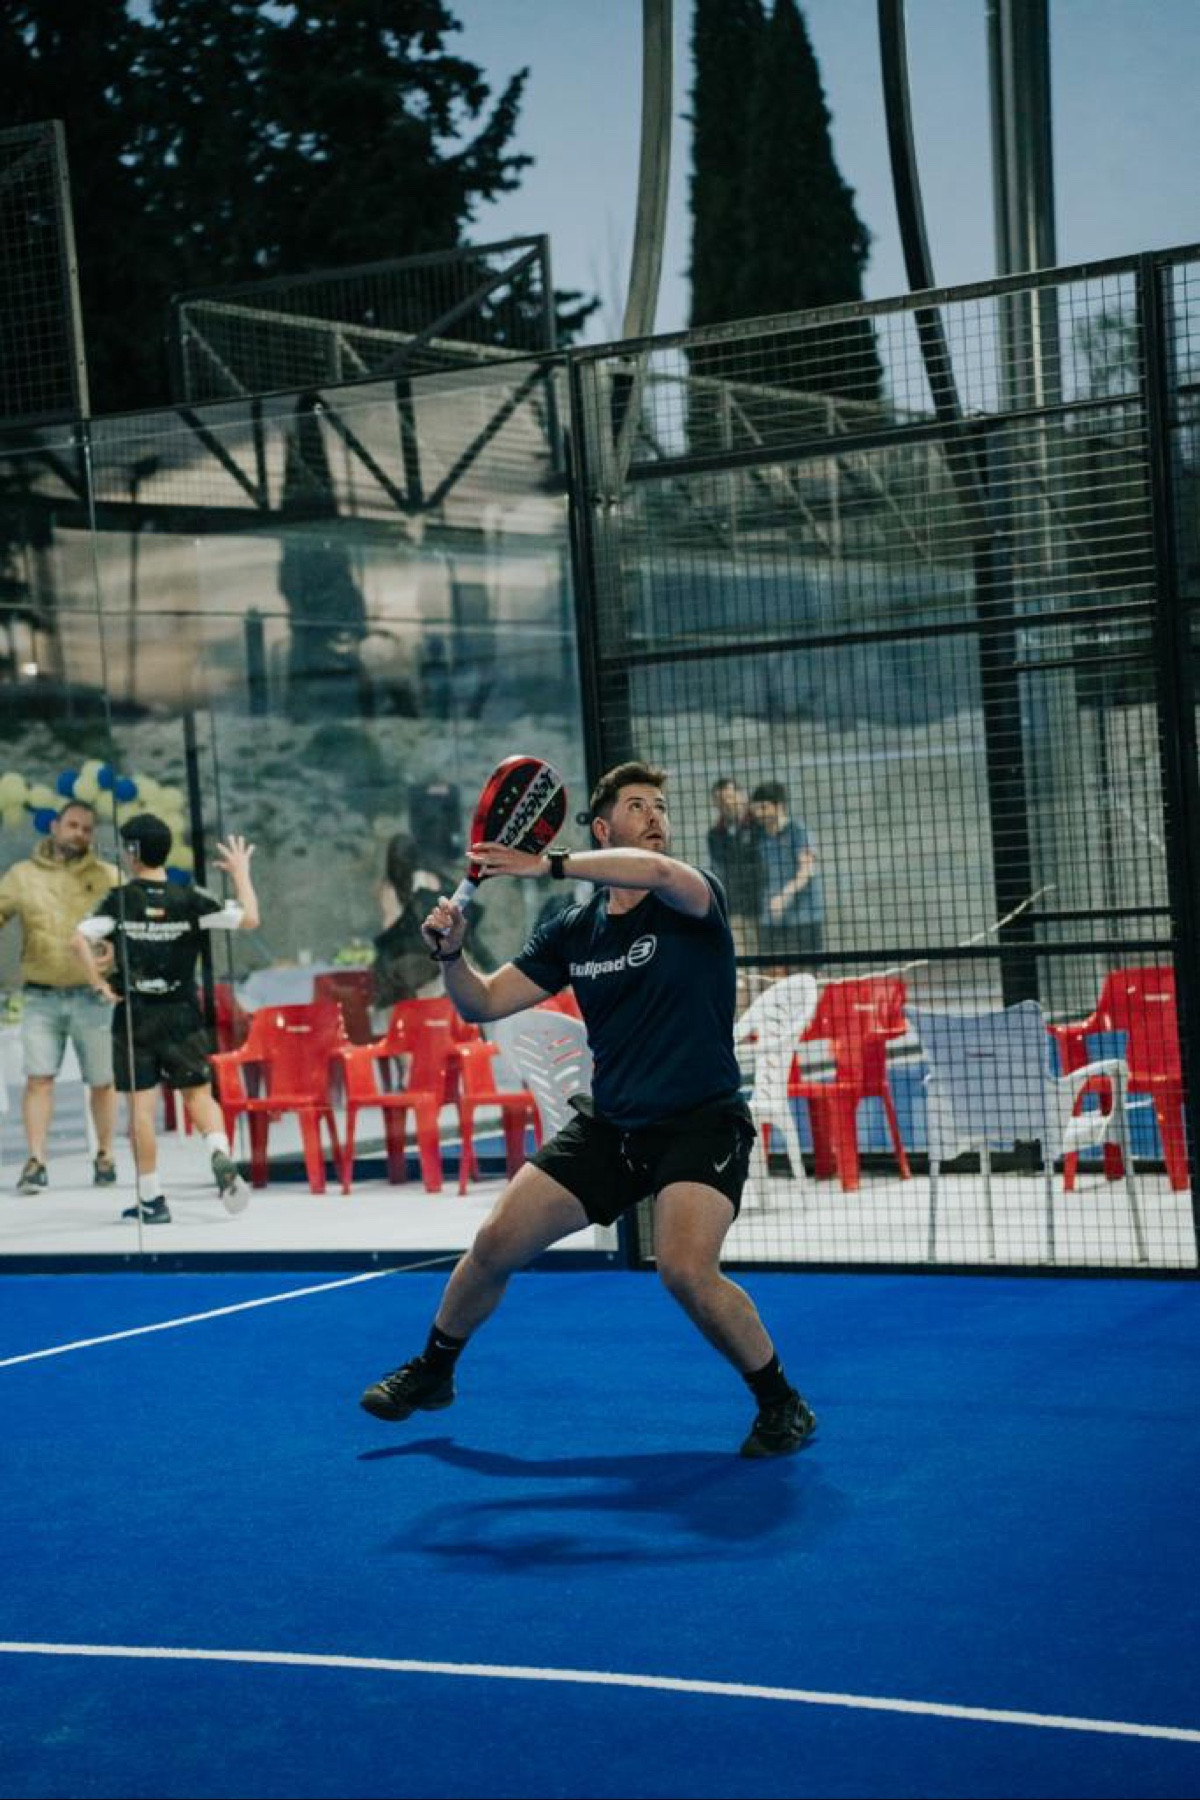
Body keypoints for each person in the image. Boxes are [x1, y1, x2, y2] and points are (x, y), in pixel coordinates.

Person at [359, 759, 817, 1459]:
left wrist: (545, 864)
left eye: (661, 806)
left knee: (685, 1270)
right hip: (613, 1126)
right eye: (638, 806)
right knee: (493, 1243)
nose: (656, 816)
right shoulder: (573, 931)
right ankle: (434, 1370)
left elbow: (654, 872)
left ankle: (782, 1403)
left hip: (700, 1121)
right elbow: (483, 1001)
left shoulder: (693, 898)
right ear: (604, 828)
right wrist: (451, 957)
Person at [72, 813, 260, 1226]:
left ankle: (152, 1199)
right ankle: (219, 1151)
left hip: (136, 1015)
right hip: (182, 1013)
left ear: (133, 852)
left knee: (142, 1109)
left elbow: (78, 939)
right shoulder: (189, 898)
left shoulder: (120, 900)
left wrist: (99, 984)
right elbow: (249, 919)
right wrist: (240, 873)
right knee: (198, 1095)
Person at [0, 799, 120, 1194]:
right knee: (39, 1080)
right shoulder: (22, 876)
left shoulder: (108, 876)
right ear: (55, 826)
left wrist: (116, 953)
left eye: (87, 829)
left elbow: (131, 922)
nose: (79, 834)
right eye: (73, 825)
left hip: (93, 995)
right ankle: (36, 1161)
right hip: (41, 996)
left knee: (102, 1081)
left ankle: (106, 1154)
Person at [748, 781, 824, 968]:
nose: (759, 814)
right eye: (756, 809)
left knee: (806, 973)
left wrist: (784, 896)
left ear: (779, 806)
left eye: (764, 807)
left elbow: (807, 870)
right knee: (772, 972)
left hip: (804, 917)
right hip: (771, 920)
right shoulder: (758, 836)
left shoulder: (798, 831)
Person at [370, 833, 444, 1014]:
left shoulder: (387, 888)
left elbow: (390, 926)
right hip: (429, 955)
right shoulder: (430, 880)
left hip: (404, 958)